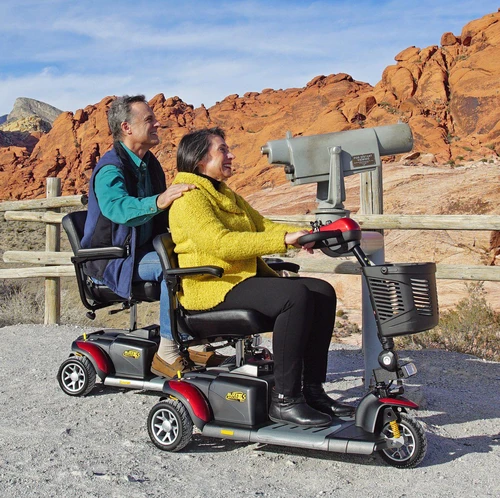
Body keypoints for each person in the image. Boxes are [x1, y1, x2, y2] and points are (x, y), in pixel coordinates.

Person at [168, 127, 353, 427]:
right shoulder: (190, 199)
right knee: (294, 297)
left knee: (321, 291)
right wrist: (283, 240)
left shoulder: (224, 193)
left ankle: (312, 390)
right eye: (223, 150)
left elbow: (261, 225)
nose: (231, 155)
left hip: (237, 281)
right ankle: (286, 400)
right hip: (211, 287)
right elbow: (221, 244)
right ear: (199, 160)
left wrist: (304, 236)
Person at [81, 95, 224, 379]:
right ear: (127, 127)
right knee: (172, 269)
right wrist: (159, 201)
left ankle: (196, 343)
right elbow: (117, 208)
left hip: (141, 251)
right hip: (111, 260)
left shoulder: (149, 164)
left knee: (196, 257)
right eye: (149, 119)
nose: (158, 122)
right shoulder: (111, 168)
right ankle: (167, 353)